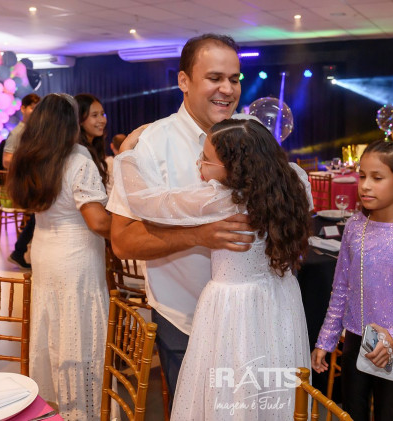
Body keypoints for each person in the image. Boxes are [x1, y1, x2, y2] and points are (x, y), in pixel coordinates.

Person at [115, 118, 312, 420]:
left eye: (206, 160)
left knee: (231, 387)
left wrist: (126, 154)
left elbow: (143, 202)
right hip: (280, 300)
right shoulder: (294, 184)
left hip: (233, 309)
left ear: (235, 169)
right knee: (273, 380)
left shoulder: (219, 200)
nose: (199, 164)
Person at [107, 33, 253, 406]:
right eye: (215, 78)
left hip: (249, 319)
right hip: (185, 319)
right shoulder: (150, 145)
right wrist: (198, 235)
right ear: (184, 81)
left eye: (234, 79)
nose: (227, 89)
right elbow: (121, 241)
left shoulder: (250, 136)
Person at [311, 141, 393, 421]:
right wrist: (326, 339)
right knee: (352, 414)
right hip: (354, 340)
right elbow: (341, 288)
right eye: (362, 176)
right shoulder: (355, 227)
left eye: (377, 177)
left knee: (387, 415)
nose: (365, 186)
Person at [7, 93, 111, 419]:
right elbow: (98, 222)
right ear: (71, 124)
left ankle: (54, 403)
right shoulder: (78, 159)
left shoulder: (32, 158)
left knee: (54, 325)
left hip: (45, 251)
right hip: (76, 256)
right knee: (80, 329)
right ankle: (83, 408)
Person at [2, 93, 41, 269]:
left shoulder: (35, 130)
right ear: (23, 108)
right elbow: (7, 160)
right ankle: (19, 251)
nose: (36, 111)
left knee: (39, 216)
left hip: (35, 180)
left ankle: (21, 252)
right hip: (26, 183)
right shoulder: (18, 132)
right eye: (32, 107)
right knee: (39, 215)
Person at [75, 93, 109, 187]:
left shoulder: (95, 146)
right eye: (94, 115)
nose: (102, 120)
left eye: (102, 114)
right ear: (80, 120)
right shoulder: (79, 151)